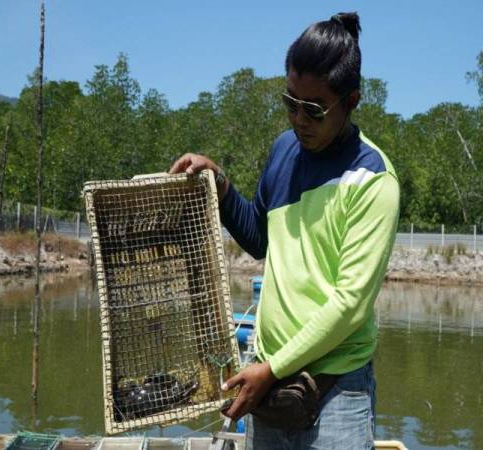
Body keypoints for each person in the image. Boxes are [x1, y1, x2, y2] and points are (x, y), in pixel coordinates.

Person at [170, 11, 399, 450]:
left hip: (336, 391)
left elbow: (350, 304)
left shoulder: (372, 180)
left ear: (351, 101)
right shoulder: (283, 151)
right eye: (290, 102)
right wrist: (218, 183)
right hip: (269, 382)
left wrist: (271, 370)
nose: (299, 119)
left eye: (313, 109)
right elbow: (259, 238)